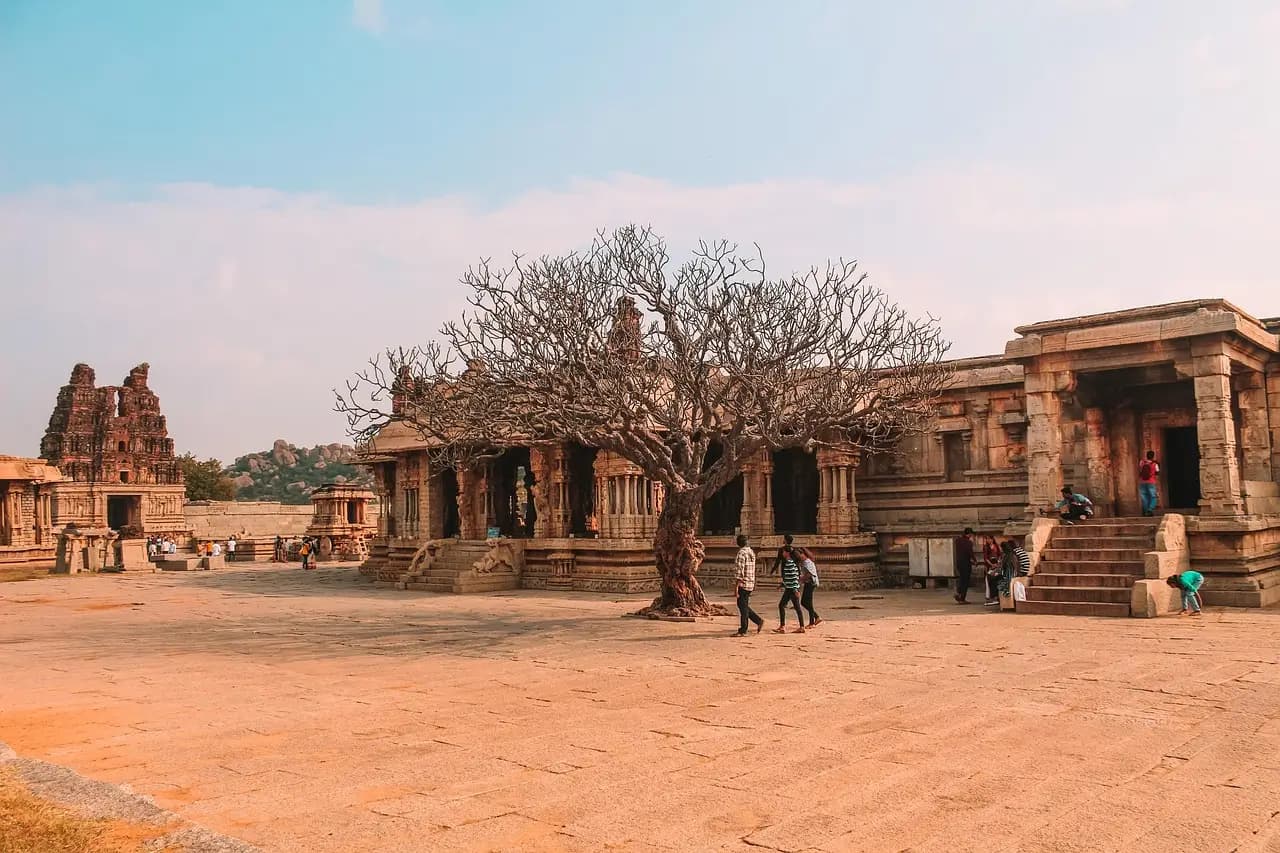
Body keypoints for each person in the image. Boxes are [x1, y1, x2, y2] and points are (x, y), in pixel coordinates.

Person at [733, 535, 764, 636]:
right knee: (743, 605)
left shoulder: (741, 553)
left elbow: (739, 571)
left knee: (742, 606)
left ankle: (743, 629)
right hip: (750, 582)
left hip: (743, 583)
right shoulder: (751, 552)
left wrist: (736, 587)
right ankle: (758, 621)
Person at [773, 544, 806, 634]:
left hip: (791, 589)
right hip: (789, 588)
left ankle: (787, 626)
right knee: (786, 606)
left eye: (783, 551)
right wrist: (782, 585)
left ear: (787, 553)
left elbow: (794, 578)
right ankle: (784, 626)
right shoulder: (791, 563)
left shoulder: (790, 563)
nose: (782, 553)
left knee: (794, 607)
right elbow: (789, 577)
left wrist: (795, 589)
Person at [798, 547, 821, 628]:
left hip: (811, 583)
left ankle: (812, 622)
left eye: (800, 554)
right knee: (804, 602)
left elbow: (809, 574)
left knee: (808, 602)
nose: (799, 556)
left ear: (804, 554)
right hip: (808, 583)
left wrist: (800, 579)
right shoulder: (804, 562)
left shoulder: (807, 562)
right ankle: (816, 617)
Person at [953, 527, 976, 604]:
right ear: (969, 534)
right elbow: (970, 553)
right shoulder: (968, 542)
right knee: (965, 581)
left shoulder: (958, 540)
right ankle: (962, 598)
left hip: (959, 562)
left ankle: (958, 593)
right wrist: (975, 561)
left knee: (961, 578)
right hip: (966, 563)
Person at [1139, 451, 1160, 517]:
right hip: (1151, 482)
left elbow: (1140, 471)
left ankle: (1146, 511)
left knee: (1144, 497)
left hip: (1142, 482)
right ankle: (1150, 509)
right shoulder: (1155, 464)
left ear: (1146, 456)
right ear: (1153, 456)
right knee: (1153, 497)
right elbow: (1157, 473)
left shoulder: (1142, 462)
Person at [982, 536, 1002, 605]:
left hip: (996, 564)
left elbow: (999, 555)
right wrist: (991, 565)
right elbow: (986, 558)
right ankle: (988, 596)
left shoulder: (996, 546)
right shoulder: (986, 547)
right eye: (987, 539)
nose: (988, 540)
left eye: (989, 539)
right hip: (989, 565)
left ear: (992, 539)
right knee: (988, 580)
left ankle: (995, 596)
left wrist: (998, 563)